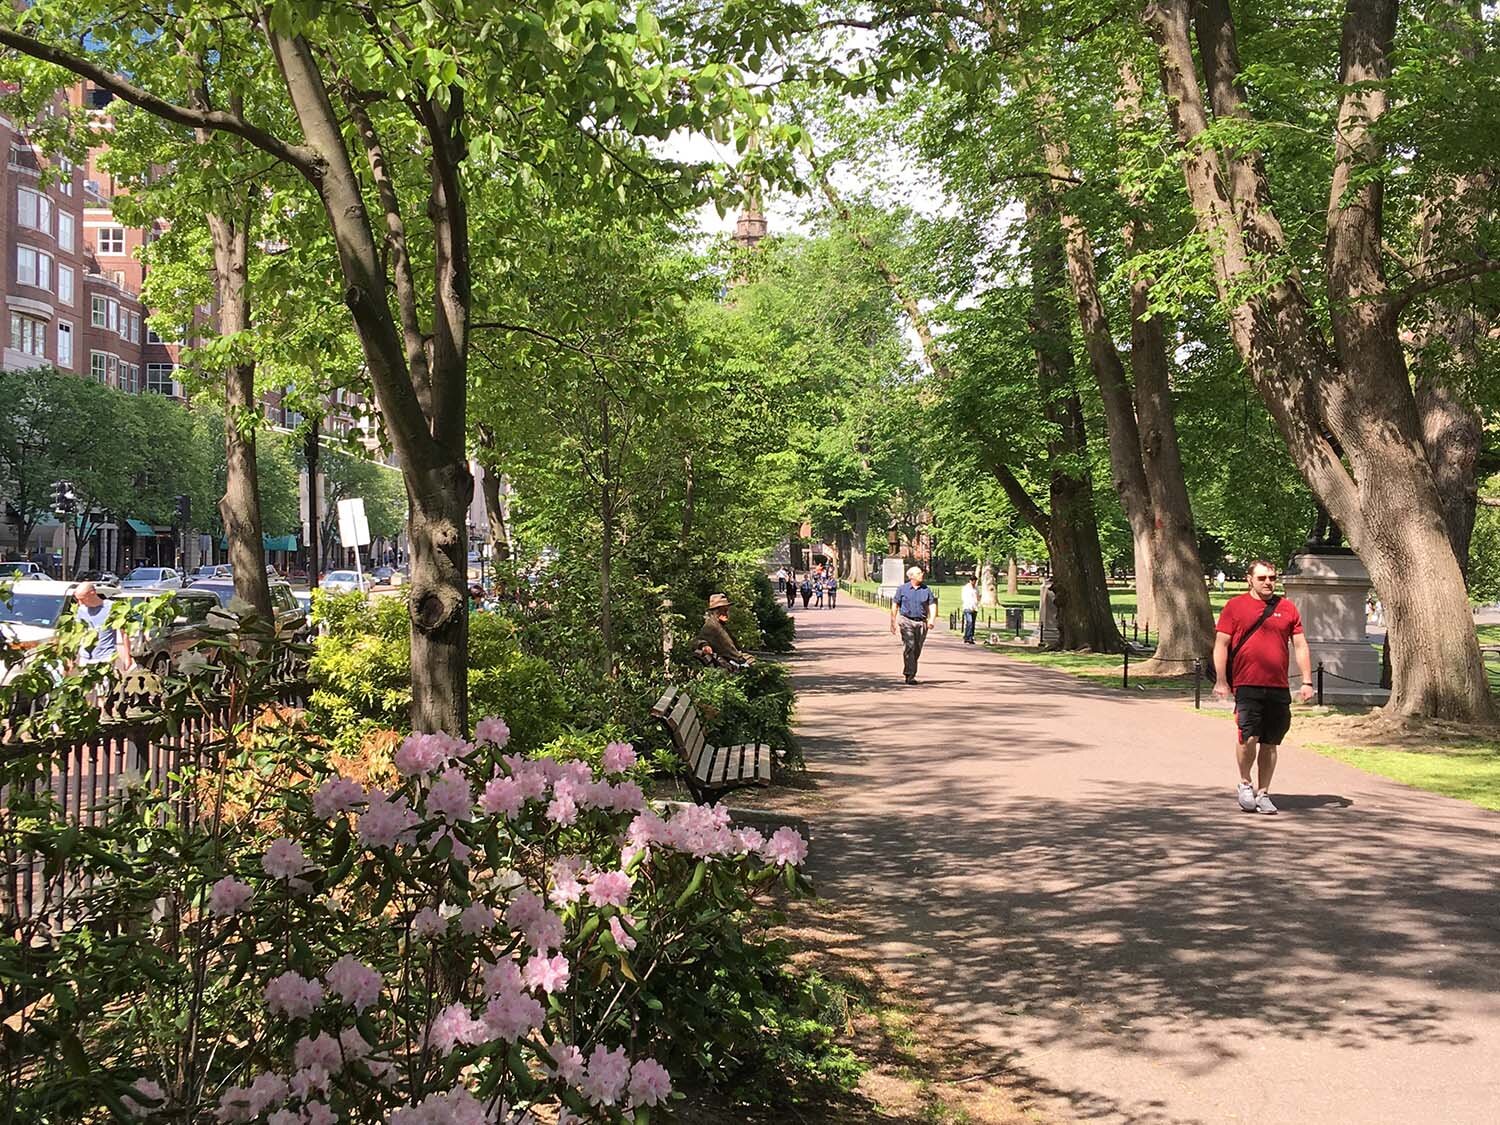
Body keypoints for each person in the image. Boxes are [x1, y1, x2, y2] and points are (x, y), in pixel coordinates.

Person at [1211, 560, 1314, 815]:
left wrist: (1307, 681)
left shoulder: (1287, 608)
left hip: (1277, 686)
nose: (1268, 582)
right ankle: (1245, 783)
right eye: (1262, 578)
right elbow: (1221, 644)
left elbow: (1300, 645)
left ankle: (1264, 792)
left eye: (1272, 577)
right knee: (1249, 737)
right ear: (1249, 579)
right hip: (1247, 683)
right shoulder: (1235, 607)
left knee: (1270, 742)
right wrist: (1222, 680)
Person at [72, 582, 129, 698]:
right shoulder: (81, 610)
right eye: (78, 600)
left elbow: (124, 633)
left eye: (82, 599)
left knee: (103, 693)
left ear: (92, 593)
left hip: (105, 657)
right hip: (85, 658)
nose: (80, 603)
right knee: (86, 693)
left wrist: (127, 657)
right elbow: (77, 634)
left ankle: (104, 714)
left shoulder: (112, 608)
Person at [889, 566, 938, 684]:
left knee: (917, 648)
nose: (922, 574)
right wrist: (893, 621)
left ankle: (910, 670)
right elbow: (895, 604)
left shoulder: (926, 589)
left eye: (921, 573)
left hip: (921, 622)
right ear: (911, 576)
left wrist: (931, 619)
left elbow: (932, 605)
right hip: (906, 620)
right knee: (909, 646)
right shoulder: (902, 589)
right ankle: (910, 674)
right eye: (919, 573)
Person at [693, 593, 755, 668]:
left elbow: (736, 648)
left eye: (726, 610)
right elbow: (697, 640)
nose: (725, 614)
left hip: (738, 660)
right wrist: (704, 645)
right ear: (714, 612)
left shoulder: (722, 626)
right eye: (722, 611)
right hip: (729, 663)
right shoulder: (711, 626)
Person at [960, 576, 979, 644]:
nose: (974, 583)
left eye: (975, 582)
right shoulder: (966, 588)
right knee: (969, 622)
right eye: (973, 581)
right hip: (968, 607)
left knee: (972, 623)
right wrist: (969, 605)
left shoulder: (976, 588)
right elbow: (965, 598)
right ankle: (967, 636)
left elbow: (977, 597)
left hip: (974, 607)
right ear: (970, 581)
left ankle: (970, 637)